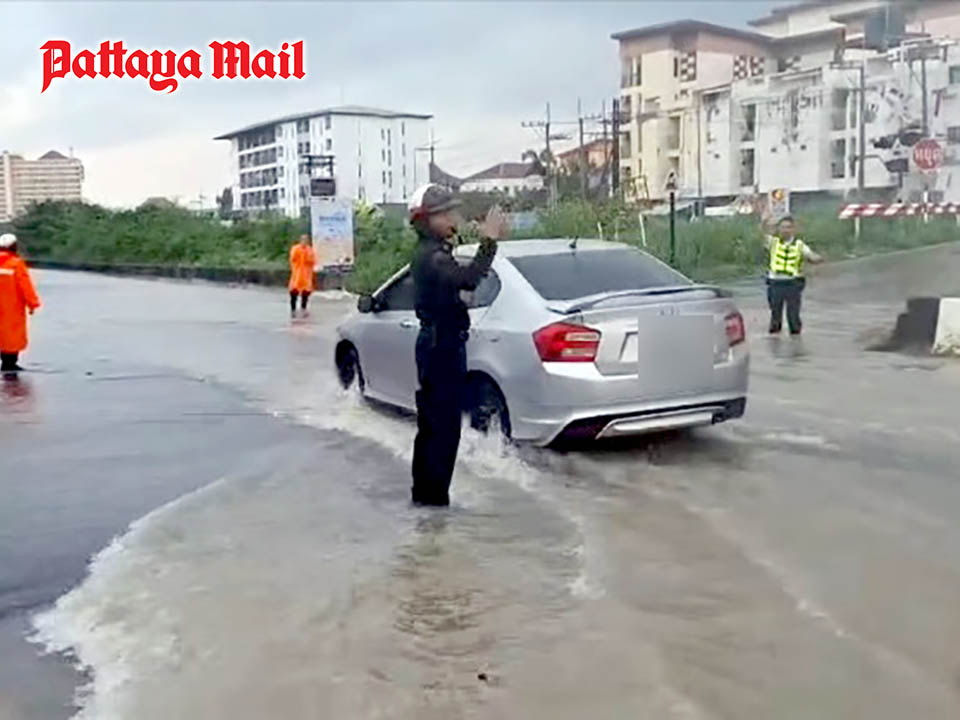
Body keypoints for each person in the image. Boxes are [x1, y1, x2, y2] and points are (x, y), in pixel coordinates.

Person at [409, 184, 507, 507]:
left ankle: (425, 505)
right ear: (427, 220)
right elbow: (469, 278)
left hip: (439, 344)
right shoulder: (433, 257)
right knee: (444, 429)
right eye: (446, 213)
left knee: (433, 428)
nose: (454, 218)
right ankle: (434, 505)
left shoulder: (434, 251)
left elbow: (457, 285)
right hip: (441, 348)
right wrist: (489, 241)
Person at [765, 215, 823, 336]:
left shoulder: (800, 245)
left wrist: (817, 259)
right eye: (783, 227)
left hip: (792, 283)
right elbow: (760, 232)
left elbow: (811, 256)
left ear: (793, 229)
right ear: (778, 229)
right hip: (775, 283)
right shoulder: (773, 242)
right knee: (775, 316)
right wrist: (767, 220)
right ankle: (775, 341)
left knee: (793, 317)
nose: (785, 230)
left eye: (788, 227)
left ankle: (796, 341)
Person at [0, 233, 41, 373]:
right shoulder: (16, 264)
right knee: (12, 336)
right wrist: (32, 303)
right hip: (12, 307)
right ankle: (9, 363)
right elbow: (25, 285)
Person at [288, 234, 317, 317]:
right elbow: (293, 258)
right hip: (297, 274)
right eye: (303, 240)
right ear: (300, 240)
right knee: (293, 292)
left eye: (306, 240)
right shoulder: (295, 248)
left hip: (306, 275)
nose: (304, 241)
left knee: (305, 292)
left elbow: (312, 260)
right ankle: (293, 309)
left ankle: (303, 308)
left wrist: (306, 256)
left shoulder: (310, 250)